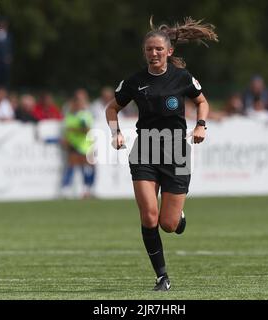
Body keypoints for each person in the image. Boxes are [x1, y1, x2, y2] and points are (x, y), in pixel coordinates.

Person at [105, 17, 217, 291]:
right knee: (149, 217)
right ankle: (161, 277)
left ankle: (178, 219)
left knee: (168, 224)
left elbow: (202, 102)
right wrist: (115, 132)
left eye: (158, 49)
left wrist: (201, 125)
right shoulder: (134, 81)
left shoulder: (182, 78)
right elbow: (111, 109)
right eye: (148, 50)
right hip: (144, 150)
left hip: (176, 151)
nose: (153, 54)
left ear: (169, 52)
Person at [61, 89, 95, 198]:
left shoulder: (84, 115)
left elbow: (86, 129)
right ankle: (66, 189)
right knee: (71, 167)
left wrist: (74, 130)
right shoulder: (70, 115)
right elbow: (67, 130)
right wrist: (66, 138)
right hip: (73, 145)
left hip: (84, 145)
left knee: (86, 168)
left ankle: (87, 189)